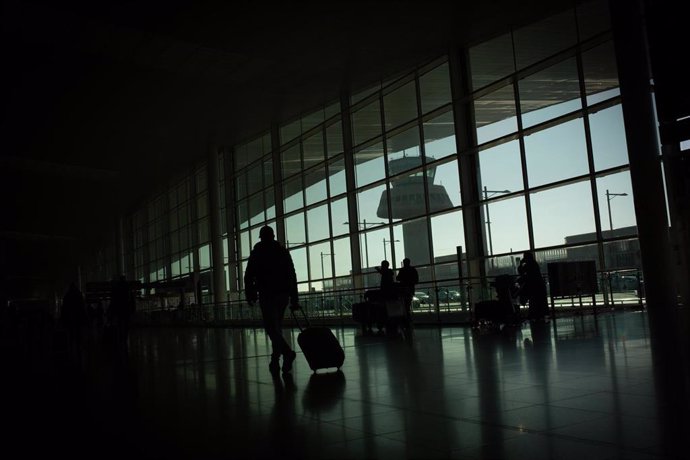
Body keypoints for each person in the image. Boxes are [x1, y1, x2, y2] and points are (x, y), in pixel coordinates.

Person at [244, 225, 300, 374]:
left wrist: (250, 294)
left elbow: (249, 275)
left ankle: (286, 353)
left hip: (267, 294)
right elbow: (292, 275)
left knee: (271, 328)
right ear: (273, 236)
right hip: (283, 294)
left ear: (261, 237)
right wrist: (294, 298)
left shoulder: (258, 252)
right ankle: (275, 360)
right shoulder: (282, 251)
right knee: (277, 328)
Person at [517, 250, 549, 321]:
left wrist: (521, 263)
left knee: (534, 301)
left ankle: (534, 315)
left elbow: (521, 272)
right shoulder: (533, 263)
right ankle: (539, 315)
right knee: (538, 301)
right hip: (538, 286)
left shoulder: (529, 264)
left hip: (534, 287)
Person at [109, 275, 135, 349]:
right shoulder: (128, 288)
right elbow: (132, 301)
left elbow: (113, 301)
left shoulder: (117, 289)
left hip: (119, 311)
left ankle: (121, 339)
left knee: (120, 325)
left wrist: (111, 312)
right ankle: (124, 339)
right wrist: (132, 310)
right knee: (126, 326)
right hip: (126, 310)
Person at [61, 282, 87, 355]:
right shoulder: (79, 295)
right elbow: (82, 309)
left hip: (70, 320)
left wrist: (63, 320)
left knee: (71, 338)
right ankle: (78, 351)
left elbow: (64, 309)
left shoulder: (67, 296)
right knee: (78, 337)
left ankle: (72, 352)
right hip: (78, 320)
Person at [396, 258, 418, 322]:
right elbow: (416, 280)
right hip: (410, 289)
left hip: (403, 289)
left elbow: (398, 278)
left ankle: (404, 318)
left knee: (403, 304)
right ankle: (408, 318)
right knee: (407, 304)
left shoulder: (402, 270)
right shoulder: (413, 269)